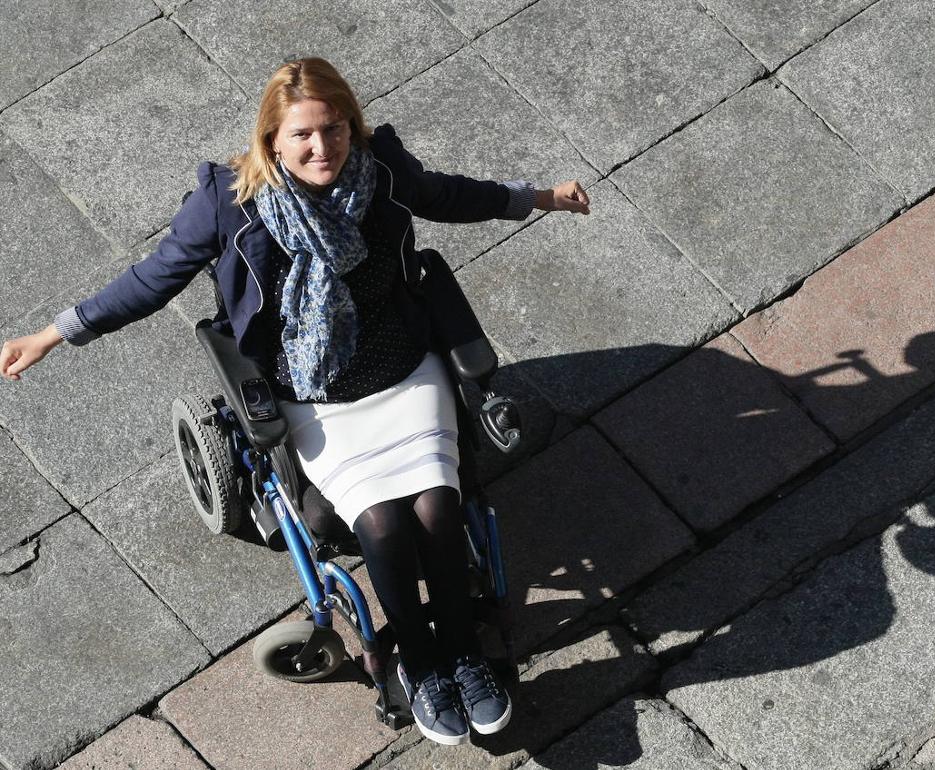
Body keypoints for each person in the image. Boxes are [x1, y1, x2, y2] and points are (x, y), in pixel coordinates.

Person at [0, 57, 590, 746]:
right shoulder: (228, 202)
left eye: (335, 130)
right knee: (381, 523)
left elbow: (451, 197)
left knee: (437, 505)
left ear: (352, 126)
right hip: (309, 387)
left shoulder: (380, 168)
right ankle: (421, 664)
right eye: (304, 135)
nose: (323, 149)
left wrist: (540, 196)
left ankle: (463, 656)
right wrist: (51, 335)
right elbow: (150, 279)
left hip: (401, 367)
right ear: (271, 140)